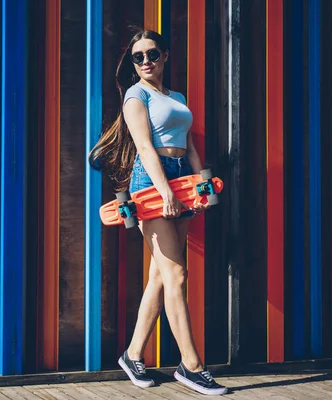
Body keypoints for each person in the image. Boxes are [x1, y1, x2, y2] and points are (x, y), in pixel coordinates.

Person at [89, 30, 228, 396]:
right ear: (133, 63)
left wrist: (201, 183)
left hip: (184, 179)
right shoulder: (136, 96)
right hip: (152, 183)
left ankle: (133, 354)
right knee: (177, 274)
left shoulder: (177, 97)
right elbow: (146, 148)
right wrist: (164, 191)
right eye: (138, 57)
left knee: (160, 277)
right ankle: (191, 366)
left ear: (165, 55)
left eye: (152, 53)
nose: (146, 60)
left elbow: (190, 144)